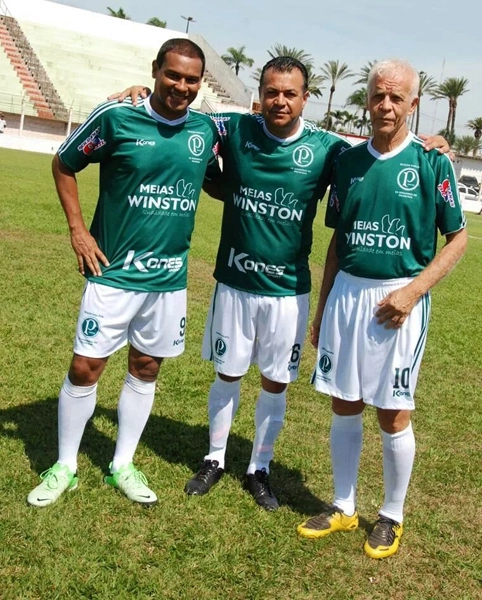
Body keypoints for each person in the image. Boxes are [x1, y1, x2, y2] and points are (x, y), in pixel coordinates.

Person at [115, 59, 449, 512]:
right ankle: (213, 458)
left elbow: (377, 155)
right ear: (260, 94)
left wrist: (435, 144)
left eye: (290, 93)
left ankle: (259, 467)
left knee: (276, 382)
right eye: (272, 91)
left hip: (289, 290)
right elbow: (180, 114)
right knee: (227, 374)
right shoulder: (234, 128)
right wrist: (145, 92)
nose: (280, 101)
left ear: (304, 98)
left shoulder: (330, 150)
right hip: (234, 280)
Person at [27, 38, 220, 508]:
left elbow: (263, 135)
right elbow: (64, 162)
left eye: (191, 79)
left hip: (168, 280)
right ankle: (66, 466)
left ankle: (122, 464)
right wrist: (78, 231)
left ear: (200, 83)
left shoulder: (207, 129)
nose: (181, 86)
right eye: (173, 75)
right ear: (156, 70)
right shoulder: (116, 116)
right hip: (112, 273)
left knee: (146, 367)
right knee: (86, 366)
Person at [297, 59, 467, 557]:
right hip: (348, 293)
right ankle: (344, 506)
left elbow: (458, 239)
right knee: (344, 401)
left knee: (393, 413)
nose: (386, 105)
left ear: (413, 105)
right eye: (378, 96)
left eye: (397, 98)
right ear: (367, 100)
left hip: (399, 299)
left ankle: (392, 514)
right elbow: (336, 242)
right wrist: (324, 306)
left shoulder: (432, 162)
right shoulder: (347, 164)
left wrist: (413, 292)